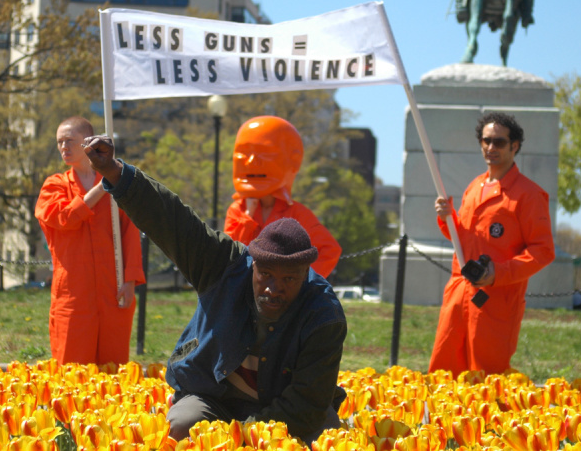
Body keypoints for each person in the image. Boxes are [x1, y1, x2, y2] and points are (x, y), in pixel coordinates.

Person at [82, 134, 347, 443]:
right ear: (253, 265)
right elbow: (173, 221)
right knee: (180, 428)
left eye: (289, 279)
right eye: (266, 274)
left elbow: (305, 404)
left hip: (285, 406)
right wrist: (115, 171)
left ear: (306, 274)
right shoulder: (225, 265)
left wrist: (243, 435)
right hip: (213, 394)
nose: (274, 289)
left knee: (328, 438)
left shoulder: (323, 314)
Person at [430, 111, 554, 376]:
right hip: (459, 294)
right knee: (445, 371)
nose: (490, 147)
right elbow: (466, 238)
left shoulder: (529, 195)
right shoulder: (474, 186)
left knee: (488, 380)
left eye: (499, 142)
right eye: (486, 141)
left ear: (515, 146)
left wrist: (498, 272)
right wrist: (447, 218)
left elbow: (543, 251)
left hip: (496, 301)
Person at [35, 116, 145, 366]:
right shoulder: (54, 185)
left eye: (69, 141)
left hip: (113, 290)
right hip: (73, 295)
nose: (63, 147)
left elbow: (130, 232)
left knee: (113, 370)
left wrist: (129, 281)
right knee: (73, 373)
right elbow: (64, 217)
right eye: (59, 142)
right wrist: (102, 187)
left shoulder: (118, 185)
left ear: (88, 143)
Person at [224, 115, 342, 279]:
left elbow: (329, 251)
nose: (251, 161)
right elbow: (230, 254)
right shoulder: (237, 210)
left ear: (294, 160)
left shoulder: (296, 213)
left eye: (264, 152)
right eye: (243, 152)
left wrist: (299, 284)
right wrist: (248, 217)